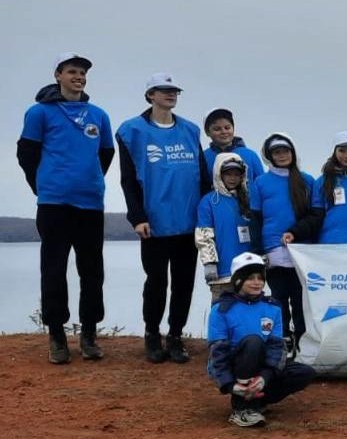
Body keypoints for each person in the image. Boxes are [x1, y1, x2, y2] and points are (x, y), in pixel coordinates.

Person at [17, 52, 114, 364]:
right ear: (58, 75)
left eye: (83, 73)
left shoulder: (99, 115)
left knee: (92, 271)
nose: (79, 77)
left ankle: (89, 334)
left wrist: (88, 179)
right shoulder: (39, 113)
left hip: (90, 204)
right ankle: (57, 336)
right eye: (72, 71)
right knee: (54, 270)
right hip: (54, 204)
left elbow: (106, 154)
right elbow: (26, 154)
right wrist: (44, 184)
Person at [117, 72, 210, 364]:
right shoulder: (132, 131)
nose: (171, 95)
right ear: (150, 95)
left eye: (174, 91)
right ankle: (152, 334)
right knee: (156, 282)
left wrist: (206, 217)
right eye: (164, 90)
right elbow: (128, 180)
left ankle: (176, 335)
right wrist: (137, 217)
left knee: (184, 283)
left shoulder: (190, 130)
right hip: (154, 224)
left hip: (188, 223)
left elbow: (203, 178)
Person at [207, 252, 314, 428]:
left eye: (260, 278)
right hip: (235, 368)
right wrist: (230, 385)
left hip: (261, 366)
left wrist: (264, 378)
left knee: (304, 372)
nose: (257, 282)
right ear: (238, 281)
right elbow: (217, 352)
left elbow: (277, 347)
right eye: (250, 278)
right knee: (253, 342)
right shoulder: (221, 309)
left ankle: (257, 401)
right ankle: (242, 408)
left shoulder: (272, 307)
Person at [250, 133, 315, 358]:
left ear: (292, 152)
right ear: (270, 156)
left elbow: (314, 215)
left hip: (302, 250)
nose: (282, 155)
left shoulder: (307, 181)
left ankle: (303, 339)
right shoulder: (260, 182)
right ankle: (282, 338)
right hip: (273, 250)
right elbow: (255, 219)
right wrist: (259, 252)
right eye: (277, 152)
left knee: (300, 298)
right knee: (278, 297)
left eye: (285, 151)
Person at [196, 153, 259, 301]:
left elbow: (258, 230)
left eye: (237, 174)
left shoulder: (249, 199)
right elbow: (204, 236)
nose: (232, 178)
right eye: (228, 174)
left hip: (249, 273)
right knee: (222, 310)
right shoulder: (209, 201)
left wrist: (261, 255)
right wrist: (210, 263)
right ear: (219, 174)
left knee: (249, 311)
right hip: (222, 274)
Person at [202, 108, 266, 184]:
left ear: (233, 128)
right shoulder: (203, 158)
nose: (223, 132)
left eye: (227, 128)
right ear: (207, 132)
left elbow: (262, 185)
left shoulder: (250, 155)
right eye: (217, 129)